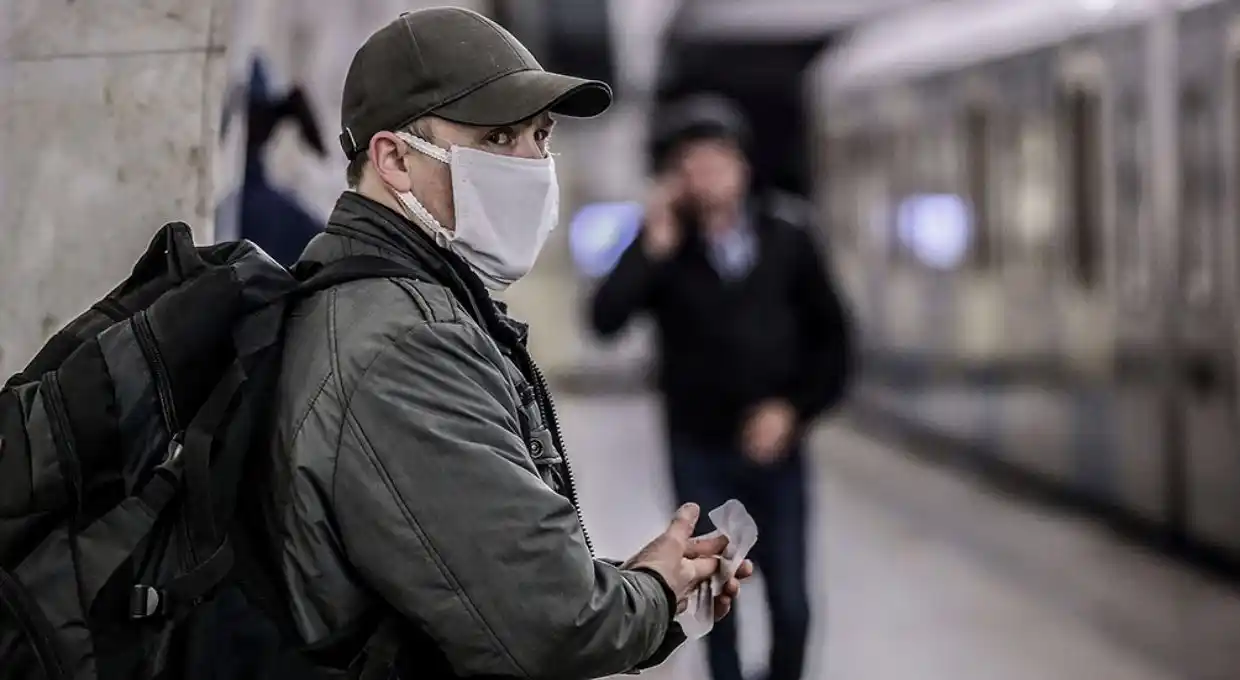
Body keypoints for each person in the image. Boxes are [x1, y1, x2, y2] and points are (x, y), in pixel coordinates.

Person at [262, 8, 754, 679]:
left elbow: (470, 578)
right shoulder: (406, 345)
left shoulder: (398, 303)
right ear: (396, 160)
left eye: (540, 134)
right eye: (498, 137)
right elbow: (550, 626)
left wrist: (637, 586)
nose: (533, 164)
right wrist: (658, 596)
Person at [588, 94, 854, 680]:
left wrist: (793, 410)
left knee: (790, 600)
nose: (706, 176)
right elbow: (604, 320)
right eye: (692, 165)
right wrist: (648, 248)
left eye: (718, 161)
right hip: (699, 447)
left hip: (776, 449)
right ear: (676, 177)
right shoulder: (667, 245)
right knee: (715, 597)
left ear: (743, 166)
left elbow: (835, 346)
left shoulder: (789, 237)